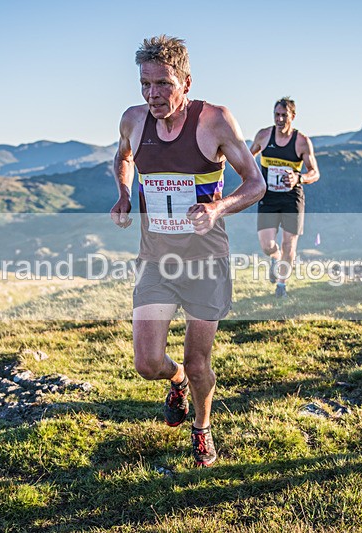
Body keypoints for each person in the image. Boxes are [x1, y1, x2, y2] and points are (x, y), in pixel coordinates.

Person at [110, 35, 265, 467]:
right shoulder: (133, 120)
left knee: (200, 364)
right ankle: (173, 380)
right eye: (145, 83)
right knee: (147, 362)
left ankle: (201, 428)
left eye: (163, 83)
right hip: (156, 259)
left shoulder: (214, 121)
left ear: (186, 82)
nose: (153, 94)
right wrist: (124, 195)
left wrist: (218, 208)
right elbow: (122, 158)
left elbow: (256, 184)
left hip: (204, 262)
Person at [250, 98, 320, 298]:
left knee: (289, 244)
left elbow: (315, 172)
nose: (279, 119)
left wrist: (299, 177)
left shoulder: (301, 142)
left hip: (292, 198)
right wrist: (254, 177)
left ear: (293, 117)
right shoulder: (264, 136)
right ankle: (275, 257)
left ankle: (281, 286)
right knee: (267, 245)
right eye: (276, 115)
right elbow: (247, 157)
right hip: (269, 196)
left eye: (284, 115)